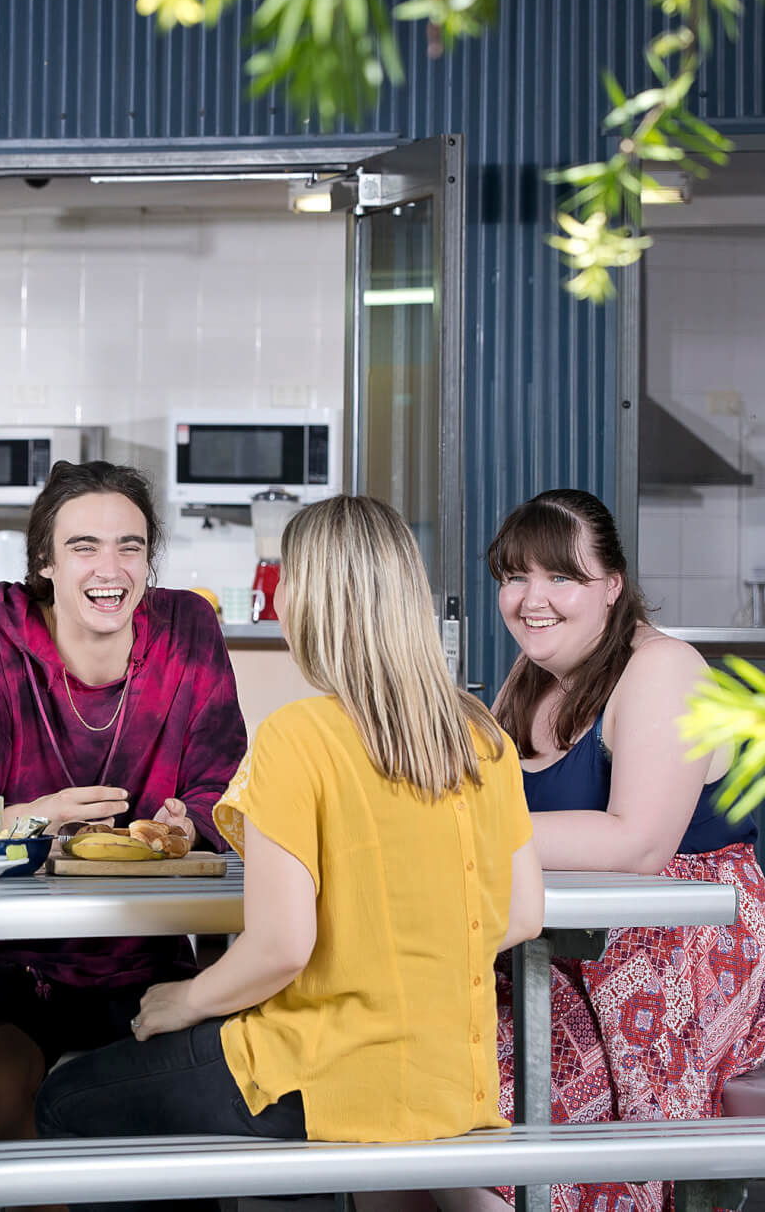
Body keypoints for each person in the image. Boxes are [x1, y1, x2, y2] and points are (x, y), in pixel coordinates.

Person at [35, 494, 545, 1212]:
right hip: (450, 1081)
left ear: (309, 602)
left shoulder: (297, 737)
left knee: (67, 1099)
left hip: (322, 1074)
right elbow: (522, 914)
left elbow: (280, 948)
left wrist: (182, 1001)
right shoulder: (481, 735)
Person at [0, 460, 248, 1145]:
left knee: (192, 1109)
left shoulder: (188, 627)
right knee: (10, 1089)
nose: (109, 569)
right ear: (46, 561)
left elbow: (223, 789)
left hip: (144, 952)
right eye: (83, 546)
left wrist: (188, 823)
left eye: (130, 546)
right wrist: (42, 815)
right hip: (0, 956)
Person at [484, 488, 765, 1212]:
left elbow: (638, 841)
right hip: (558, 942)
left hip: (687, 947)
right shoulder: (529, 681)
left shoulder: (663, 667)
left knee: (516, 1093)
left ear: (613, 586)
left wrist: (455, 837)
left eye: (562, 576)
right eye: (515, 576)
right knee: (416, 1058)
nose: (532, 599)